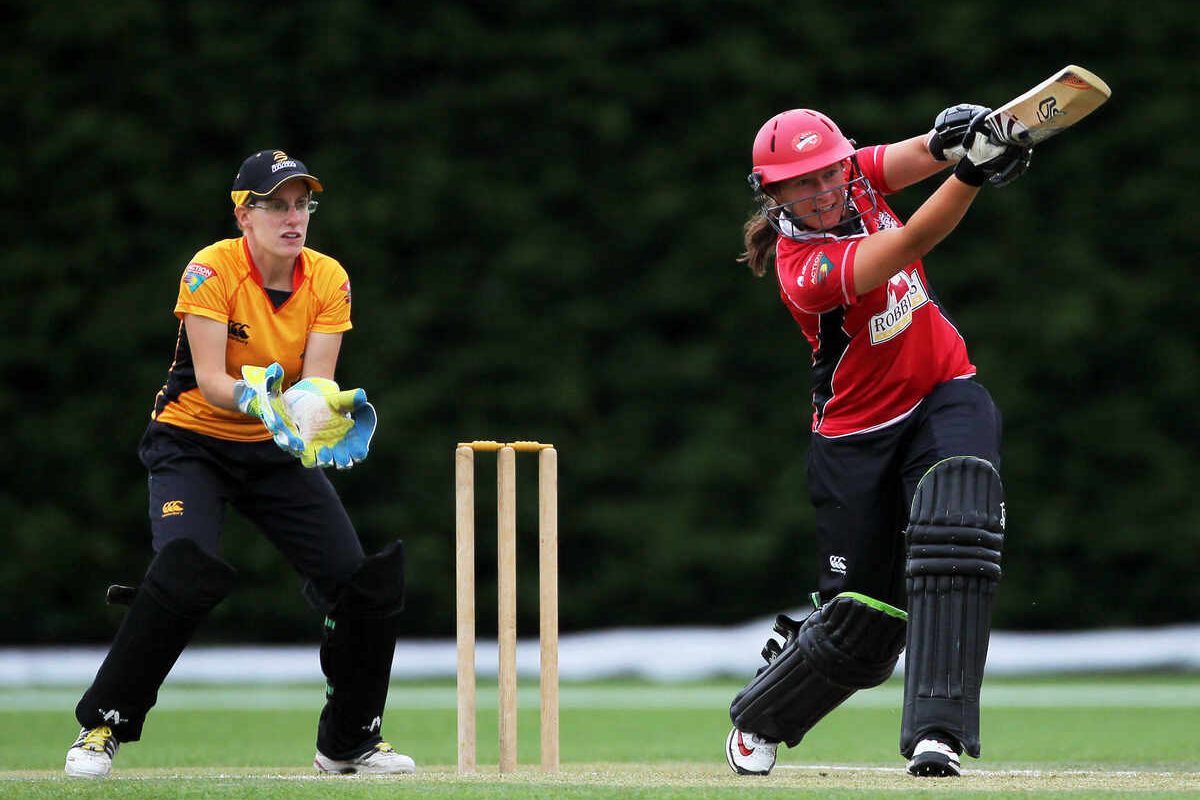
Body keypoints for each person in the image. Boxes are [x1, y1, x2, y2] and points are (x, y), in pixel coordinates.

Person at [64, 150, 413, 778]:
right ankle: (102, 725)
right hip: (192, 441)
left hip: (272, 451)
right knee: (183, 569)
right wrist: (257, 396)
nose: (293, 216)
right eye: (276, 204)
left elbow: (315, 383)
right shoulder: (211, 268)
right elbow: (210, 379)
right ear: (243, 215)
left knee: (360, 583)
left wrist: (322, 414)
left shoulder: (328, 277)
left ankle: (349, 742)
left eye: (302, 203)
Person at [723, 106, 1031, 777]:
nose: (823, 192)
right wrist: (972, 173)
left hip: (943, 388)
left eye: (829, 173)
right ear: (771, 194)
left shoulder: (854, 178)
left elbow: (911, 157)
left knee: (960, 514)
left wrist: (953, 139)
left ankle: (938, 734)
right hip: (857, 438)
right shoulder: (802, 267)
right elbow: (914, 239)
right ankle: (762, 715)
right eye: (799, 185)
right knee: (866, 626)